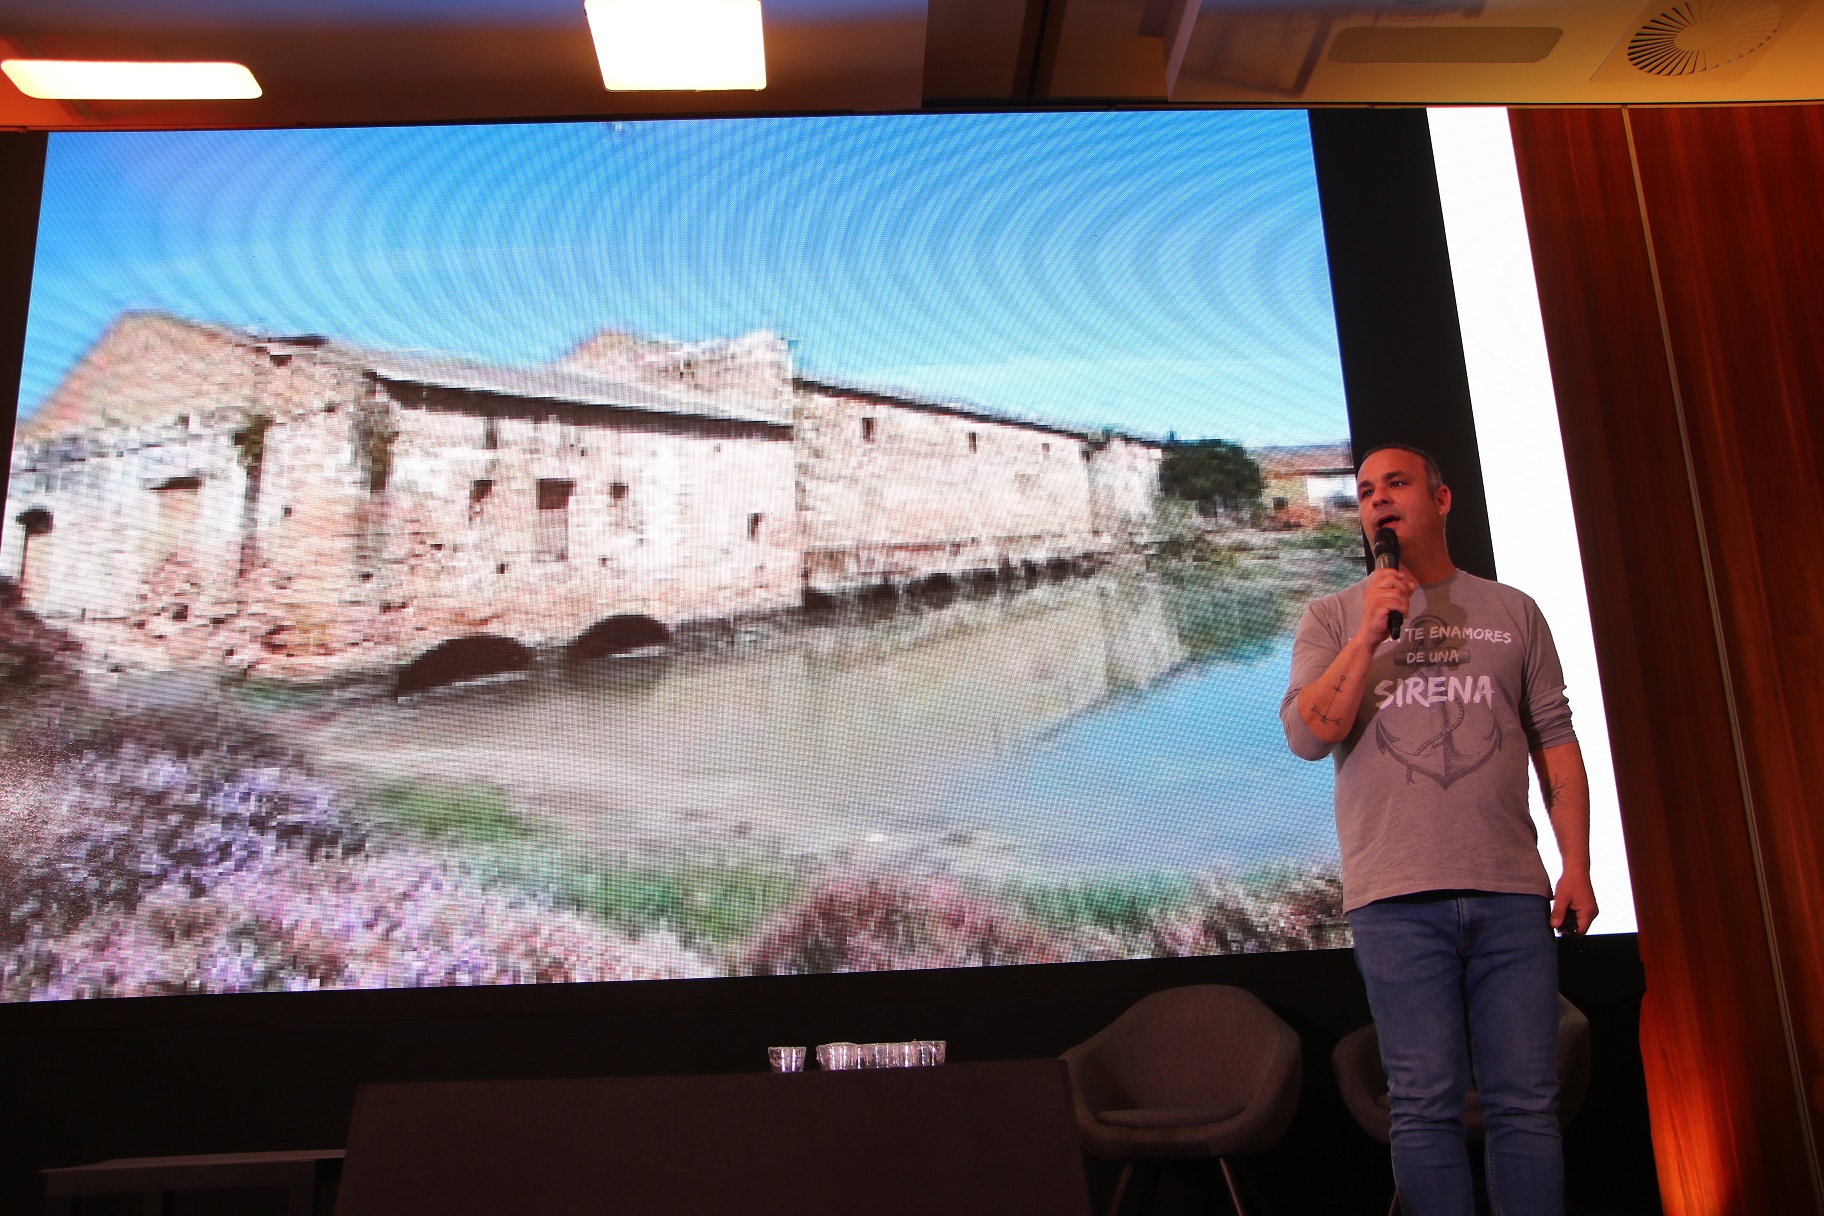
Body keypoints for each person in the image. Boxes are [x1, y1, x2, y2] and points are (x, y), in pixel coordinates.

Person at [1280, 444, 1598, 1216]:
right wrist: (1367, 637)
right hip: (1395, 899)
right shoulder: (1332, 617)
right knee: (1423, 1107)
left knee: (1525, 1103)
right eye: (1364, 492)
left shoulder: (1513, 611)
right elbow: (1308, 735)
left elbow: (1554, 737)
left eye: (1396, 484)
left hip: (1510, 894)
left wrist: (1577, 863)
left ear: (1442, 498)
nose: (1379, 500)